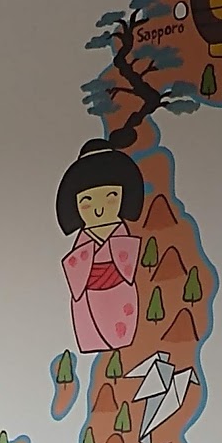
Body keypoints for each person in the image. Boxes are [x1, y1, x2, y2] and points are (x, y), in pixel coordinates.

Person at [56, 138, 145, 352]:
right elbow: (76, 268)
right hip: (88, 292)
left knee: (120, 335)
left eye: (110, 197)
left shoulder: (121, 233)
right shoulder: (84, 238)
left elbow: (127, 265)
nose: (99, 209)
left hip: (119, 289)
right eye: (87, 202)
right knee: (91, 331)